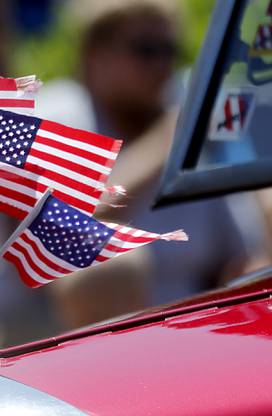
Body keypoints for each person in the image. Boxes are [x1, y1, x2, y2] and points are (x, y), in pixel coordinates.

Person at [37, 0, 250, 328]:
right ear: (95, 56)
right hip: (75, 341)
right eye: (146, 50)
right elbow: (63, 227)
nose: (162, 65)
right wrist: (172, 138)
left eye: (170, 50)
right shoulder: (59, 114)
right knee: (113, 271)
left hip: (196, 333)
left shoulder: (184, 121)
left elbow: (241, 256)